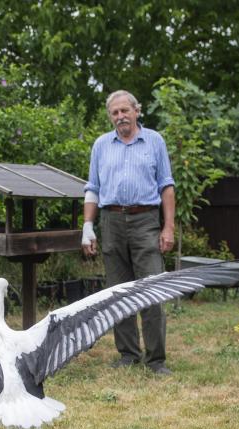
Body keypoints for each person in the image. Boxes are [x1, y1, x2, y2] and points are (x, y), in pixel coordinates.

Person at [81, 90, 177, 376]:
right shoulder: (101, 145)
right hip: (110, 222)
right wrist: (88, 227)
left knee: (151, 290)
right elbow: (93, 188)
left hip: (145, 219)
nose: (120, 116)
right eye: (115, 113)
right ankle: (128, 354)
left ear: (137, 111)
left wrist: (168, 226)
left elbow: (167, 186)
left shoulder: (154, 141)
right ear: (110, 116)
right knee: (117, 292)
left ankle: (156, 360)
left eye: (125, 111)